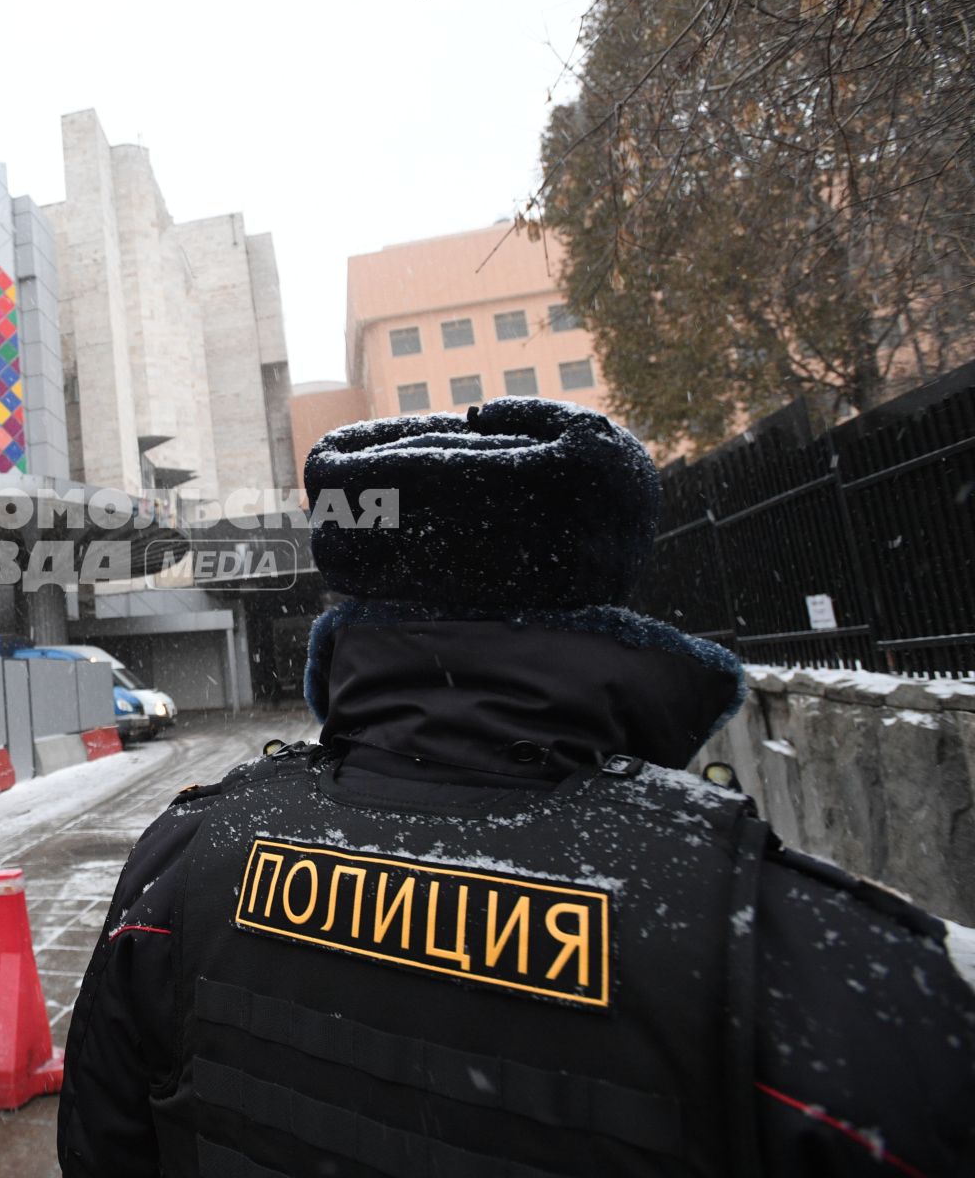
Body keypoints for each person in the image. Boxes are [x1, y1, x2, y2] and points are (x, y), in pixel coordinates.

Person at [58, 398, 975, 1177]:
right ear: (607, 587)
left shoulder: (183, 873)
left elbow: (102, 1147)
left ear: (351, 598)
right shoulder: (823, 974)